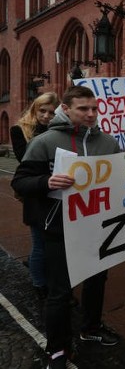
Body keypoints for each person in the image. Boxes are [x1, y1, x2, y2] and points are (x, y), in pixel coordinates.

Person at [11, 86, 121, 369]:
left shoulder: (108, 143)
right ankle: (58, 349)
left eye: (94, 109)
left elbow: (124, 179)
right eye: (83, 109)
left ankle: (91, 328)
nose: (91, 114)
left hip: (97, 227)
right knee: (59, 291)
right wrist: (45, 182)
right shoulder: (45, 142)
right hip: (58, 229)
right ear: (67, 108)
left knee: (97, 281)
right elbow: (20, 181)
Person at [10, 92, 59, 299]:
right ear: (34, 109)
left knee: (55, 243)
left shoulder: (57, 130)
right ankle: (40, 286)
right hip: (35, 190)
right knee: (39, 242)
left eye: (51, 113)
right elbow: (24, 157)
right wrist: (48, 132)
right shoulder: (19, 130)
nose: (47, 116)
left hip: (57, 190)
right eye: (43, 111)